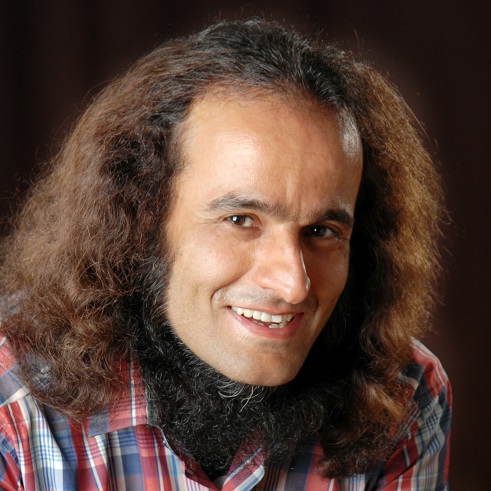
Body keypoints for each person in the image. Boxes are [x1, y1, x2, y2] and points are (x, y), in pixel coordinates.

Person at [0, 18, 451, 490]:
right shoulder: (13, 410)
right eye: (240, 220)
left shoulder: (401, 398)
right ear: (141, 217)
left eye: (322, 231)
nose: (293, 284)